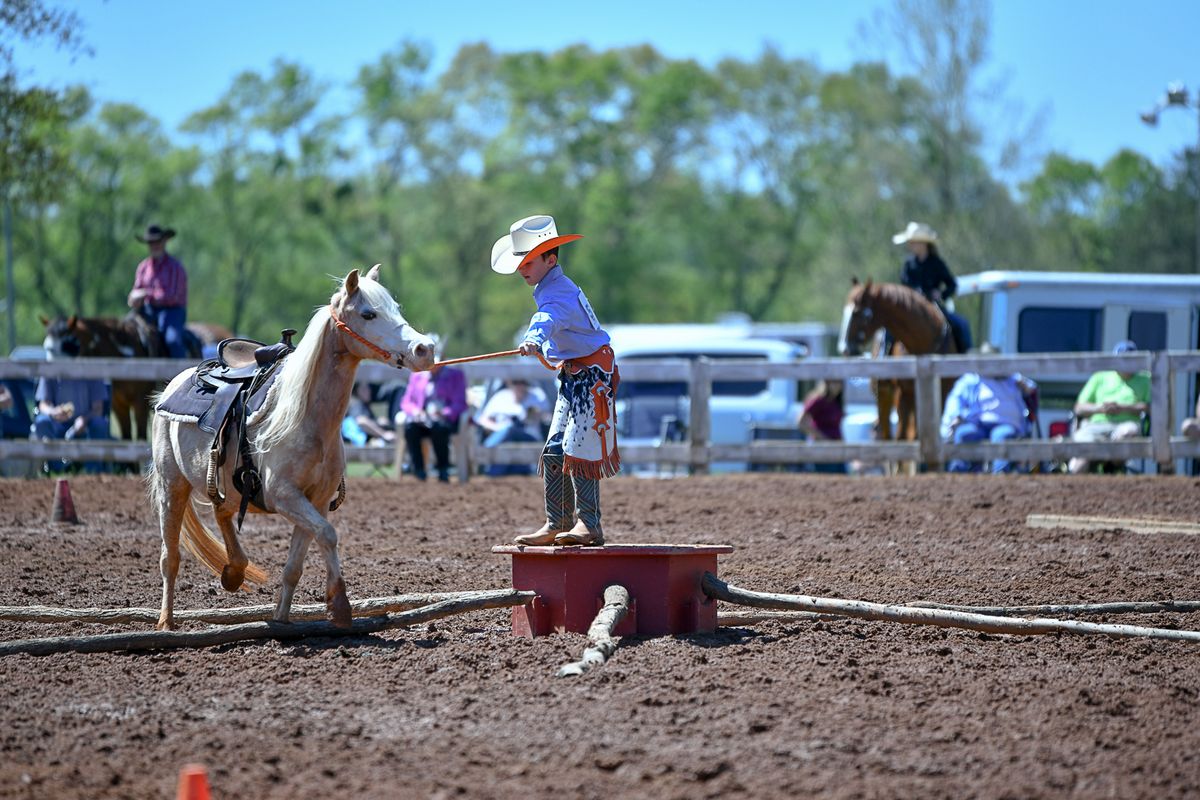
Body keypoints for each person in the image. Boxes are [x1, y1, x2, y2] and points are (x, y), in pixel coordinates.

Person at [491, 214, 618, 547]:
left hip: (590, 375)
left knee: (579, 448)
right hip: (577, 373)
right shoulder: (554, 288)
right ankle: (558, 521)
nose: (522, 268)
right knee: (555, 450)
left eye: (528, 260)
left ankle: (588, 524)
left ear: (551, 259)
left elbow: (546, 319)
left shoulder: (557, 293)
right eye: (520, 260)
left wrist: (535, 336)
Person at [940, 345, 1036, 473]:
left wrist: (1025, 386)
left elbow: (1032, 388)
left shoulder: (1011, 378)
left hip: (1005, 423)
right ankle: (959, 471)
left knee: (1001, 435)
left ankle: (1000, 472)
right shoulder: (971, 380)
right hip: (978, 423)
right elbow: (955, 400)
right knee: (965, 433)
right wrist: (956, 417)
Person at [1068, 340, 1150, 474]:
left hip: (1126, 425)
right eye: (1122, 359)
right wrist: (1101, 408)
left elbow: (1150, 407)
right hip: (1096, 426)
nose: (1125, 363)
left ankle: (1111, 468)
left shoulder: (1146, 379)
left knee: (1126, 434)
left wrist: (1122, 408)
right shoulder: (1099, 377)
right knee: (1079, 462)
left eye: (1129, 360)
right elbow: (1079, 408)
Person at [892, 221, 973, 353]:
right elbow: (904, 287)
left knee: (961, 324)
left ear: (923, 244)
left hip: (934, 305)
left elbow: (952, 284)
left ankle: (966, 360)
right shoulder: (908, 264)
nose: (910, 245)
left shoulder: (937, 263)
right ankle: (883, 356)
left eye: (913, 242)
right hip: (912, 307)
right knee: (889, 328)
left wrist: (941, 294)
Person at [398, 342, 467, 482]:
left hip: (444, 421)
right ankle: (419, 470)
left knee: (439, 428)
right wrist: (416, 412)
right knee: (410, 429)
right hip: (422, 420)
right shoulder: (417, 376)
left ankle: (443, 470)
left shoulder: (456, 376)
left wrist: (444, 413)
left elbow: (460, 403)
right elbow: (406, 402)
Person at [128, 223, 189, 358]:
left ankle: (182, 373)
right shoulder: (143, 267)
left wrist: (146, 293)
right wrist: (134, 299)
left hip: (172, 312)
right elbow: (136, 291)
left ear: (164, 241)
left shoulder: (175, 267)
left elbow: (172, 296)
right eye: (151, 243)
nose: (154, 245)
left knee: (172, 340)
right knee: (126, 332)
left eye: (157, 242)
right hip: (148, 310)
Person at [32, 373, 111, 473]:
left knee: (100, 423)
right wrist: (54, 412)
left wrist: (84, 420)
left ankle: (93, 472)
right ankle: (54, 470)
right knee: (42, 421)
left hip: (85, 426)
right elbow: (43, 405)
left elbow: (98, 409)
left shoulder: (92, 369)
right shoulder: (51, 368)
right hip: (57, 425)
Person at [476, 379, 549, 476]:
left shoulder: (537, 395)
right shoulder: (500, 396)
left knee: (511, 429)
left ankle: (484, 452)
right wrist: (499, 428)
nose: (519, 386)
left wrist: (537, 413)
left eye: (523, 382)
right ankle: (491, 465)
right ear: (510, 383)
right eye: (515, 382)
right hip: (503, 439)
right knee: (509, 430)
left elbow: (548, 417)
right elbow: (483, 419)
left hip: (529, 436)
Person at [797, 380, 846, 473]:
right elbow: (801, 422)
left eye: (840, 383)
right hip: (822, 448)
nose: (838, 386)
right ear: (827, 383)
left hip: (837, 448)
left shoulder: (836, 401)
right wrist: (822, 437)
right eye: (835, 382)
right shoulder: (818, 400)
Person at [341, 381, 396, 447]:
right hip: (362, 445)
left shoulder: (364, 404)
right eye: (364, 389)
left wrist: (377, 421)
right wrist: (384, 434)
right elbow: (361, 421)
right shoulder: (356, 404)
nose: (368, 391)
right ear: (357, 390)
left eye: (368, 388)